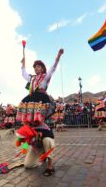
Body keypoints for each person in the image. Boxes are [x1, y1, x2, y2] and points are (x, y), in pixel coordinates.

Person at [15, 48, 64, 176]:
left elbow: (53, 68)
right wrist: (23, 65)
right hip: (31, 101)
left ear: (42, 68)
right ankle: (38, 153)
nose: (36, 68)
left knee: (46, 138)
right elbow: (24, 74)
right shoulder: (31, 79)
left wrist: (58, 56)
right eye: (35, 67)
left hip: (41, 101)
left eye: (39, 66)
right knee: (28, 165)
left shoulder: (45, 78)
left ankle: (50, 165)